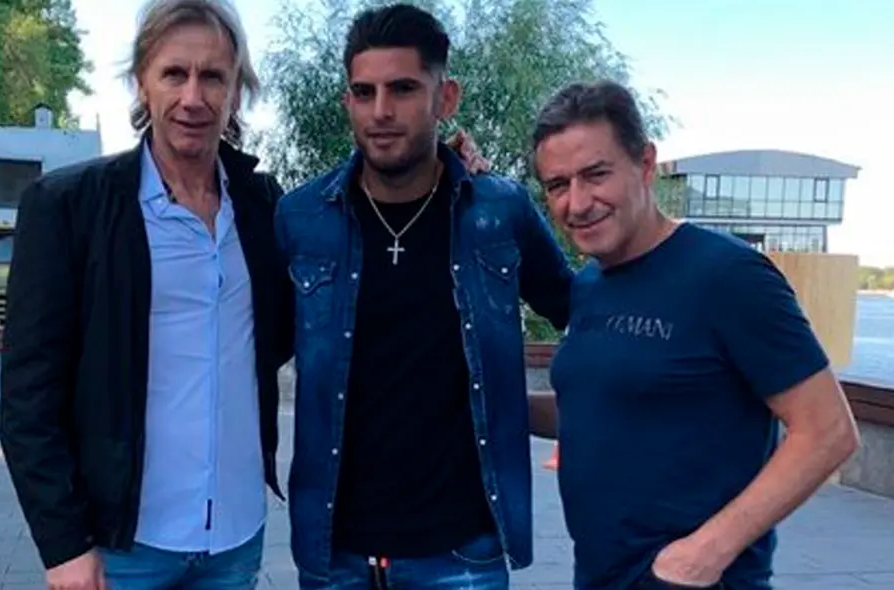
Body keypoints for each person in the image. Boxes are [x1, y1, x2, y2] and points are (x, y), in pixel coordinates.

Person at [274, 4, 574, 589]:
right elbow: (249, 345)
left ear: (446, 97)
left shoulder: (498, 211)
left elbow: (582, 313)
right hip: (336, 553)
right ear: (347, 103)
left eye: (404, 88)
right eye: (364, 92)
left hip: (462, 550)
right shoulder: (301, 217)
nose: (381, 111)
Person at [0, 1, 295, 588]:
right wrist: (63, 547)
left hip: (235, 537)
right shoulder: (69, 208)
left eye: (213, 76)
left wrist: (446, 173)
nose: (193, 97)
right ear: (142, 82)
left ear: (237, 91)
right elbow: (28, 398)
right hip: (120, 548)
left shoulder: (263, 207)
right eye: (174, 73)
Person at [526, 80, 861, 590]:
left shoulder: (728, 274)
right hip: (599, 574)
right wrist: (500, 403)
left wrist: (703, 554)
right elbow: (602, 405)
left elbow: (829, 431)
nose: (578, 202)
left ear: (644, 164)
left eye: (596, 175)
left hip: (693, 580)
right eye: (557, 185)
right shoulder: (591, 284)